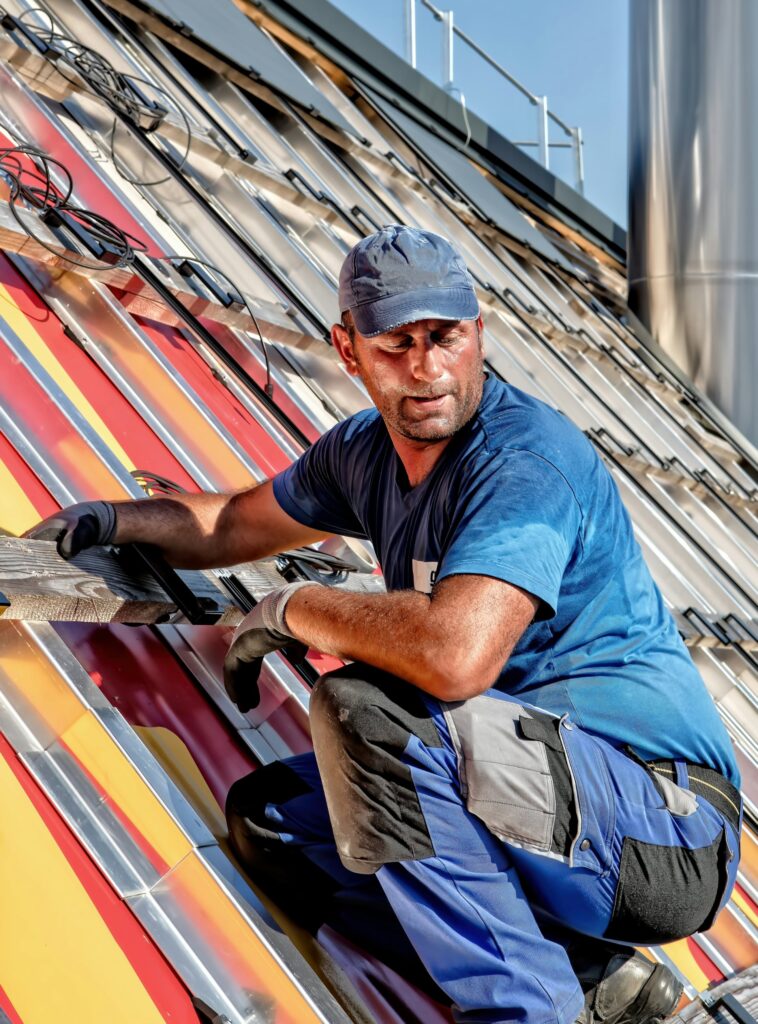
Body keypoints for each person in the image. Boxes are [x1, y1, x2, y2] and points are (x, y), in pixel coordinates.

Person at [29, 226, 742, 1024]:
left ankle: (524, 1012)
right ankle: (594, 981)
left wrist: (298, 608)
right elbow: (232, 522)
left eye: (445, 337)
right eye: (396, 344)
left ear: (478, 332)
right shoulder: (365, 455)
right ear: (349, 350)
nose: (426, 368)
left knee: (370, 715)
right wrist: (112, 520)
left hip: (659, 827)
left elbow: (455, 655)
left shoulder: (524, 463)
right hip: (535, 801)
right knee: (280, 826)